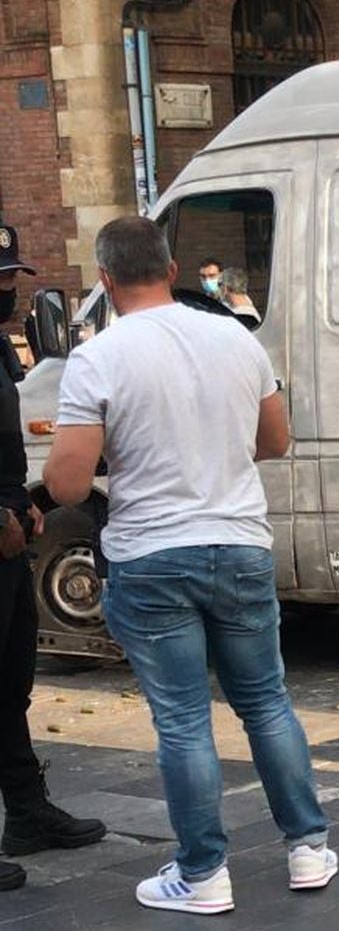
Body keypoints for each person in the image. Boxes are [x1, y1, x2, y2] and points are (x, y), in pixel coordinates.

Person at [43, 217, 335, 915]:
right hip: (237, 542)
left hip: (151, 554)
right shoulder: (236, 337)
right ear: (172, 270)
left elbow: (67, 487)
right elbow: (276, 440)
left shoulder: (99, 357)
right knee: (266, 702)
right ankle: (308, 848)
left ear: (107, 281)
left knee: (182, 722)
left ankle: (203, 874)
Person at [0, 224, 106, 893]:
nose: (10, 288)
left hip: (9, 533)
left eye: (12, 276)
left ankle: (28, 813)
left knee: (11, 686)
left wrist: (22, 503)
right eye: (0, 279)